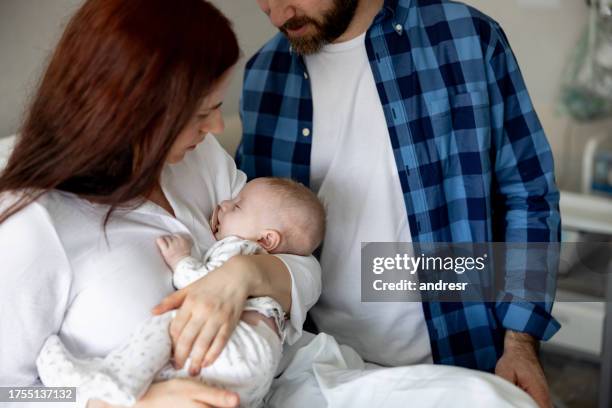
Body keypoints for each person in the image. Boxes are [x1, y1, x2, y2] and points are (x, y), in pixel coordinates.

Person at [237, 0, 560, 407]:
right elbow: (252, 232)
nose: (277, 13)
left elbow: (528, 195)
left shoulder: (465, 38)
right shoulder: (264, 76)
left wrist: (520, 343)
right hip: (321, 379)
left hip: (461, 360)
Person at [0, 1, 322, 407]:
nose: (217, 129)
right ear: (135, 114)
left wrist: (245, 273)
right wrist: (133, 402)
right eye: (201, 113)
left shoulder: (198, 159)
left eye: (218, 107)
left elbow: (300, 259)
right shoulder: (33, 224)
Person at [35, 177, 326, 408]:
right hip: (252, 372)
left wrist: (185, 262)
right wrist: (90, 402)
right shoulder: (32, 221)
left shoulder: (239, 246)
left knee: (172, 323)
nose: (223, 204)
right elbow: (10, 392)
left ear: (267, 239)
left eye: (236, 206)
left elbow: (204, 287)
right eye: (202, 114)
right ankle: (107, 389)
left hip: (234, 350)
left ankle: (120, 381)